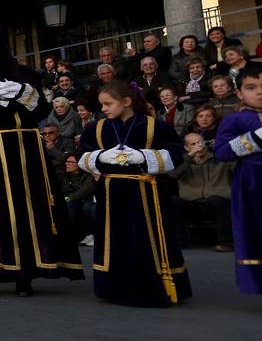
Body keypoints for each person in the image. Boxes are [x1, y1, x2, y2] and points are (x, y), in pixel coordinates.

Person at [0, 0, 83, 300]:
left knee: (28, 212)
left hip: (25, 153)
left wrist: (26, 94)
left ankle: (25, 275)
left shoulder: (27, 77)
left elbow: (40, 113)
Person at [76, 80, 189, 307]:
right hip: (111, 192)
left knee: (147, 239)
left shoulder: (154, 126)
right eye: (102, 104)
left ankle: (153, 287)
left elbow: (176, 153)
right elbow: (82, 156)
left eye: (108, 103)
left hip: (147, 192)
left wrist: (144, 157)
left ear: (126, 102)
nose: (104, 109)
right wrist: (101, 157)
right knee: (116, 239)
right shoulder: (96, 128)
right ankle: (116, 288)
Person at [214, 62, 262, 295]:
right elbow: (221, 152)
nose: (260, 92)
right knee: (256, 233)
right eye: (252, 87)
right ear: (239, 93)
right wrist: (256, 139)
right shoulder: (234, 120)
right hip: (252, 184)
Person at [171, 132, 233, 251]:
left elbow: (236, 168)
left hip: (217, 203)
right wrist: (190, 156)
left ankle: (226, 242)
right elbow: (173, 175)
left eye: (200, 142)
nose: (198, 146)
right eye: (193, 144)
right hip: (192, 204)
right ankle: (180, 241)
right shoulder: (182, 162)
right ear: (186, 147)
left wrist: (222, 150)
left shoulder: (220, 159)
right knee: (172, 201)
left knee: (216, 200)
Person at [60, 154, 96, 247]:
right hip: (71, 199)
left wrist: (69, 198)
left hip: (84, 200)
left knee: (84, 207)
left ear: (79, 164)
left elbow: (85, 191)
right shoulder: (64, 175)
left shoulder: (87, 176)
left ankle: (89, 234)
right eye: (67, 162)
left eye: (71, 162)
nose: (67, 164)